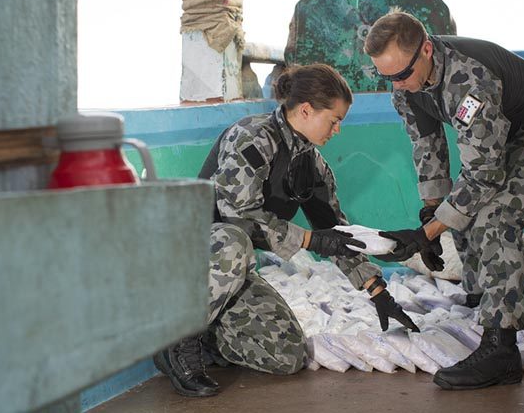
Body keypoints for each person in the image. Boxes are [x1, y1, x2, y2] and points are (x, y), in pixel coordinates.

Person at [153, 64, 419, 397]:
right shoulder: (251, 137)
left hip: (227, 275)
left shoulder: (311, 163)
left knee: (287, 354)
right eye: (334, 120)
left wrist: (378, 291)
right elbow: (238, 215)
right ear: (306, 110)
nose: (338, 131)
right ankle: (178, 340)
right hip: (191, 257)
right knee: (234, 242)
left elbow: (336, 233)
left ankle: (204, 335)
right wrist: (308, 239)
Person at [365, 11, 524, 390]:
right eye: (386, 77)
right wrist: (431, 216)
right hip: (508, 136)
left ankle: (501, 348)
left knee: (496, 216)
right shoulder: (406, 83)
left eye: (401, 75)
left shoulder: (467, 79)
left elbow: (483, 173)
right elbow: (426, 144)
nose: (397, 86)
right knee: (461, 207)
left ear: (427, 51)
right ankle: (482, 295)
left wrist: (427, 233)